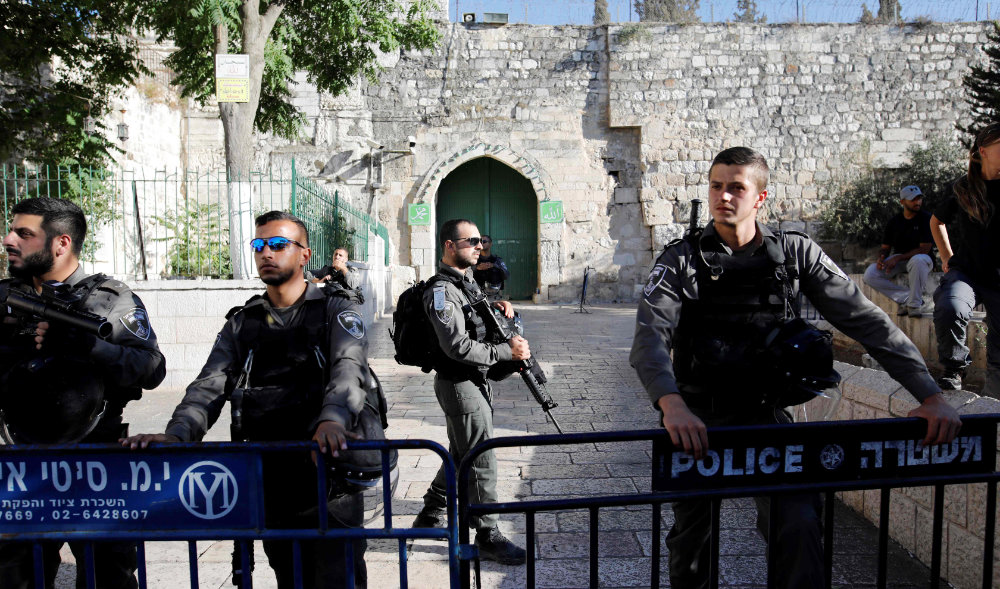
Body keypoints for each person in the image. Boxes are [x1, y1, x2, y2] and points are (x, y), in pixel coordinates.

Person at [631, 147, 962, 589]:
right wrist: (671, 404)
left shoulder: (793, 254)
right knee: (692, 542)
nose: (723, 196)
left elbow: (868, 322)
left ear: (760, 197)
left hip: (768, 416)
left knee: (799, 523)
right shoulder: (682, 260)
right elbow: (650, 337)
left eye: (736, 187)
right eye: (716, 186)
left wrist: (931, 396)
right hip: (697, 418)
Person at [121, 211, 370, 589]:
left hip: (329, 475)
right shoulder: (243, 323)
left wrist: (332, 419)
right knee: (290, 576)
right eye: (259, 245)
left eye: (278, 244)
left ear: (305, 255)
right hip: (269, 476)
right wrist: (177, 436)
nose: (266, 253)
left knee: (339, 577)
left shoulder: (335, 310)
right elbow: (208, 387)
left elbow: (348, 368)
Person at [0, 197, 166, 589]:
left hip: (96, 464)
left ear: (61, 243)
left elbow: (152, 368)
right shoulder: (5, 297)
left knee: (107, 574)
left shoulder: (108, 299)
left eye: (24, 233)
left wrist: (90, 345)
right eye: (12, 230)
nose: (9, 240)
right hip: (19, 465)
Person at [410, 219, 528, 565]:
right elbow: (457, 346)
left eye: (481, 241)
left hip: (472, 381)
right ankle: (487, 533)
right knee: (481, 456)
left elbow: (475, 314)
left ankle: (432, 510)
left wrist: (501, 307)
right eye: (471, 241)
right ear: (450, 246)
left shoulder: (466, 282)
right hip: (459, 382)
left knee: (462, 451)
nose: (480, 246)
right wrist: (506, 353)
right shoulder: (441, 290)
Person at [930, 122, 1000, 393]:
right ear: (983, 150)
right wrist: (946, 257)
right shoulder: (963, 188)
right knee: (950, 306)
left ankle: (992, 414)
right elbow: (937, 222)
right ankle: (954, 368)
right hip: (967, 273)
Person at [862, 185, 934, 316]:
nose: (917, 202)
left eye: (919, 199)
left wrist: (898, 258)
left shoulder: (926, 219)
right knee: (870, 274)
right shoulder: (894, 222)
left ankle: (914, 305)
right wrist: (882, 259)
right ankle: (907, 298)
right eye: (913, 199)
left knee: (918, 260)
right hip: (900, 260)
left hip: (922, 260)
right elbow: (885, 248)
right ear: (902, 202)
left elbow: (924, 249)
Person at [472, 234, 510, 299]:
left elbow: (506, 275)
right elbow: (464, 274)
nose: (481, 243)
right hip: (476, 295)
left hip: (493, 296)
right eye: (479, 242)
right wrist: (477, 268)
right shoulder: (473, 259)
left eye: (484, 241)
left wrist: (494, 266)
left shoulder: (497, 260)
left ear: (490, 244)